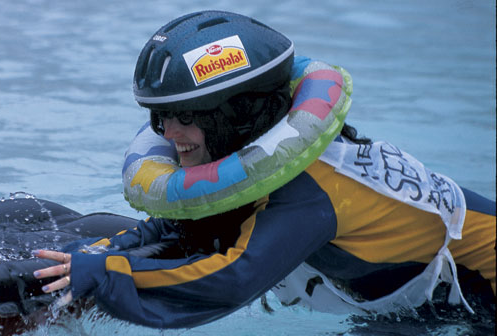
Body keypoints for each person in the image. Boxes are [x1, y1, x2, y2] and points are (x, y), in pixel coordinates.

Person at [32, 10, 495, 328]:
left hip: (483, 286)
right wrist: (101, 251)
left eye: (188, 117)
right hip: (415, 296)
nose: (169, 134)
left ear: (236, 116)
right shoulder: (260, 163)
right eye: (161, 117)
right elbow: (183, 224)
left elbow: (231, 279)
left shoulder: (311, 189)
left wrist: (112, 273)